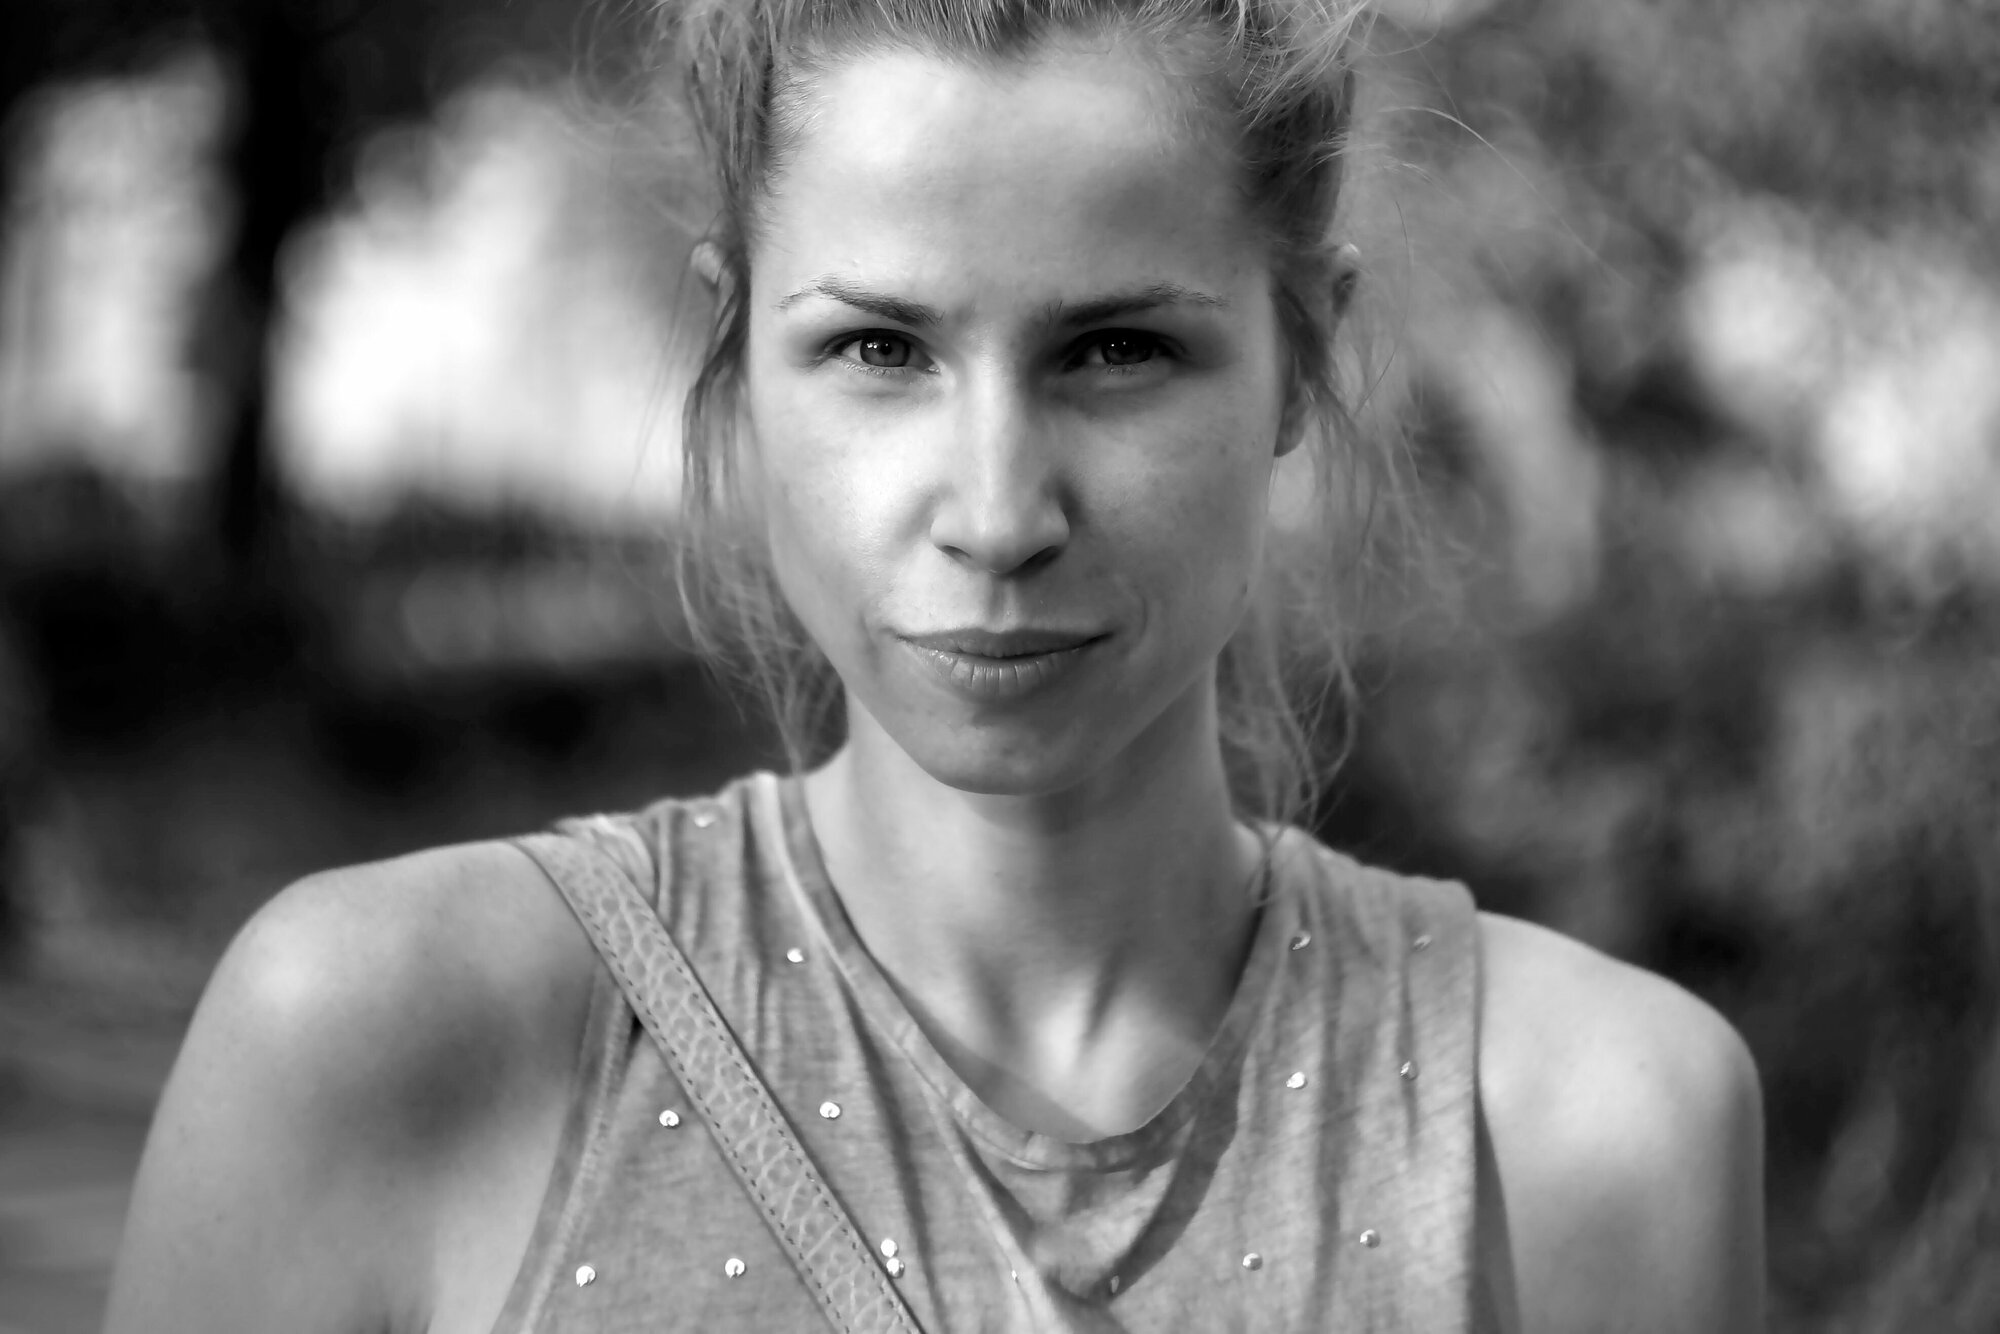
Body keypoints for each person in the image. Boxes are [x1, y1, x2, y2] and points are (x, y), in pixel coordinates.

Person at [104, 1, 1765, 1329]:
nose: (996, 513)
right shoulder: (380, 1046)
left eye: (1117, 349)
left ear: (1301, 360)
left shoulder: (1588, 1129)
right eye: (880, 347)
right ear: (736, 356)